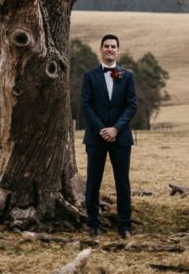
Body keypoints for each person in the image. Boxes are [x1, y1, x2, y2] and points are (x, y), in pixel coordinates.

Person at [81, 33, 137, 238]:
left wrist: (116, 129)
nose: (110, 49)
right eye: (106, 46)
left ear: (118, 51)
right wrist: (102, 130)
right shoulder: (89, 76)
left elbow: (132, 105)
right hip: (96, 138)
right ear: (101, 50)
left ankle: (124, 225)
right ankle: (93, 224)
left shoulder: (128, 76)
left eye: (113, 46)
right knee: (93, 182)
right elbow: (86, 105)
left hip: (121, 139)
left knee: (122, 182)